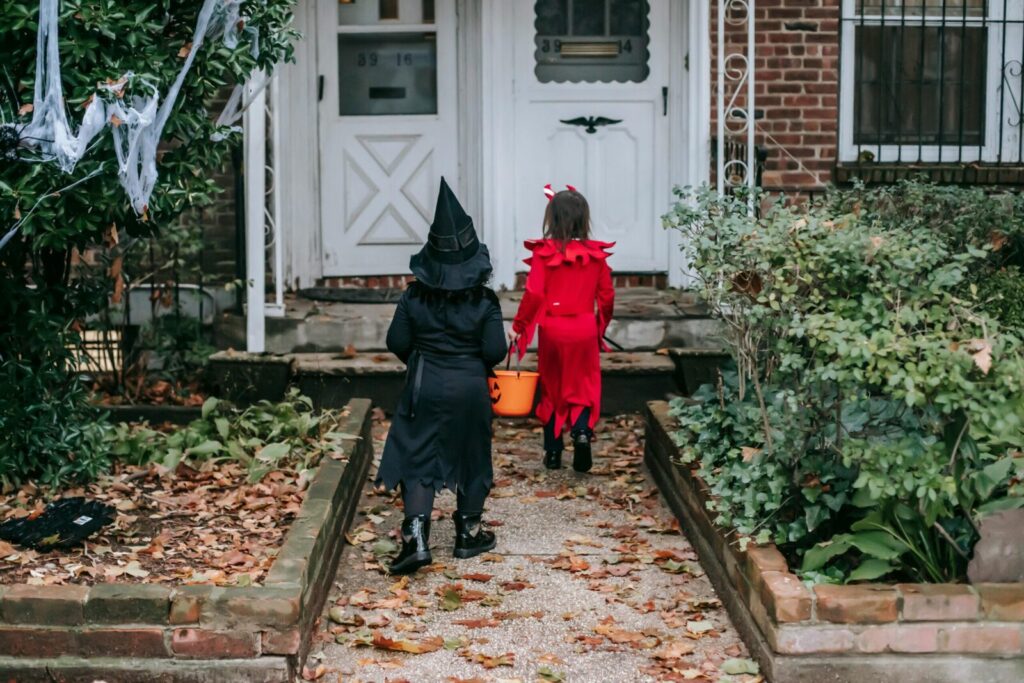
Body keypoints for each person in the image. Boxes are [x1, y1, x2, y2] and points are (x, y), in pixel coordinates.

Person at [377, 178, 507, 575]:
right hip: (470, 387)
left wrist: (421, 361)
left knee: (416, 454)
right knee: (472, 451)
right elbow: (494, 351)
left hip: (424, 385)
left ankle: (416, 538)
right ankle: (468, 532)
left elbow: (396, 340)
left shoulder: (412, 297)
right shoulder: (485, 302)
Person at [510, 185, 615, 472]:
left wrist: (519, 327)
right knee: (583, 386)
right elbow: (606, 296)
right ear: (584, 219)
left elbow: (533, 294)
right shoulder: (596, 257)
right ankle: (581, 432)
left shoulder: (545, 255)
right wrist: (600, 326)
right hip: (584, 328)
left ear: (552, 219)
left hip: (553, 329)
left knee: (553, 388)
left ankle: (553, 452)